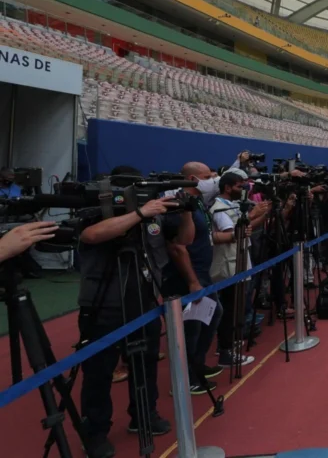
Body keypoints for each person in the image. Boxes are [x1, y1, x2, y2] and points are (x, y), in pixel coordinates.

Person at [77, 166, 195, 458]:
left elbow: (183, 241)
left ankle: (144, 415)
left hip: (143, 299)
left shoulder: (153, 210)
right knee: (98, 371)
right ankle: (95, 432)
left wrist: (187, 212)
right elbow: (91, 235)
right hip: (102, 304)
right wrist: (139, 213)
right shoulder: (98, 207)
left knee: (145, 363)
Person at [161, 161, 224, 393]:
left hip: (201, 272)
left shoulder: (195, 202)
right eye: (208, 176)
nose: (214, 179)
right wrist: (192, 281)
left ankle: (196, 365)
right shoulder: (175, 204)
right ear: (192, 179)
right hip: (185, 276)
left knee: (213, 313)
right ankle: (186, 378)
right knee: (190, 328)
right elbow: (178, 247)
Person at [211, 172, 269, 368]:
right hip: (230, 265)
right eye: (239, 186)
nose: (243, 190)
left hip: (241, 261)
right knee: (230, 309)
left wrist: (264, 214)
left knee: (237, 307)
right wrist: (252, 214)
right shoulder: (219, 209)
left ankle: (229, 345)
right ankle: (226, 351)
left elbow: (246, 229)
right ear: (227, 187)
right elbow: (232, 234)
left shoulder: (233, 206)